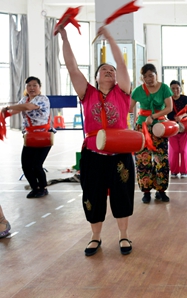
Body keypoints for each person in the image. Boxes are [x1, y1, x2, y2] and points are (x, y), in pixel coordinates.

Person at [59, 26, 134, 256]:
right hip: (93, 156)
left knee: (122, 194)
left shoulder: (122, 92)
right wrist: (64, 36)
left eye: (112, 70)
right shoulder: (87, 93)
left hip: (119, 153)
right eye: (104, 70)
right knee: (92, 195)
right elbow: (71, 67)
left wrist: (110, 38)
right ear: (95, 77)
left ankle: (123, 235)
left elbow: (121, 65)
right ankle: (95, 237)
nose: (110, 71)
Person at [1, 76, 52, 198]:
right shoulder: (25, 99)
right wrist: (4, 113)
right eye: (29, 85)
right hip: (30, 137)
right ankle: (35, 187)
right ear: (26, 88)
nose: (32, 88)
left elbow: (28, 107)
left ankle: (43, 188)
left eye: (34, 85)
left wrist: (8, 107)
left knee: (37, 165)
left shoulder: (43, 99)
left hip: (44, 136)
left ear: (40, 87)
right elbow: (15, 111)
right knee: (26, 165)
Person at [130, 63, 173, 203]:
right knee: (143, 160)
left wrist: (154, 117)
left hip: (159, 128)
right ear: (142, 78)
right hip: (142, 128)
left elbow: (169, 108)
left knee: (162, 160)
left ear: (156, 75)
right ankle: (146, 191)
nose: (148, 79)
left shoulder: (164, 88)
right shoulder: (138, 90)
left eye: (151, 75)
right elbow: (128, 108)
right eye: (145, 76)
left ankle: (161, 190)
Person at [167, 80, 187, 178]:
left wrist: (182, 116)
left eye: (177, 88)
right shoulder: (168, 99)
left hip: (184, 126)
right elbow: (166, 111)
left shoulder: (185, 98)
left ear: (180, 89)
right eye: (173, 88)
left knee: (184, 150)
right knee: (175, 150)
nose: (175, 90)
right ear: (170, 89)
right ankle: (174, 170)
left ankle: (184, 170)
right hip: (172, 127)